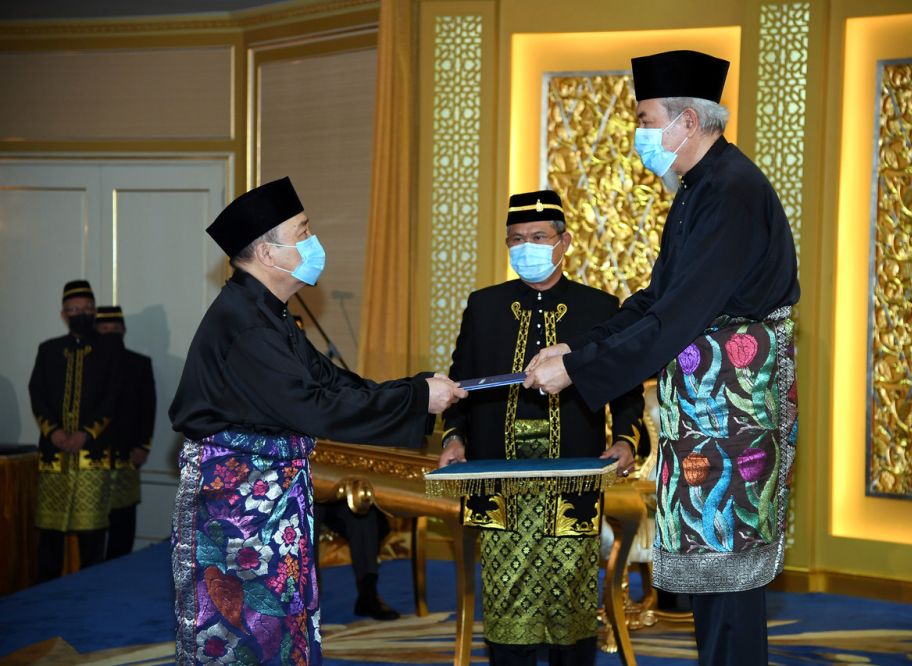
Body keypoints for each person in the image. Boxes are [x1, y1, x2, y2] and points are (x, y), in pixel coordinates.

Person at [524, 50, 800, 665]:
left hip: (735, 414)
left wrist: (578, 370)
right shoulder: (701, 186)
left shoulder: (729, 192)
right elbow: (658, 297)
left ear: (687, 122)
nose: (638, 133)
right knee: (711, 581)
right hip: (711, 411)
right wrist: (581, 346)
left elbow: (676, 318)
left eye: (645, 118)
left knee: (726, 582)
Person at [169, 177, 466, 665]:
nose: (313, 241)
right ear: (268, 254)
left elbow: (332, 383)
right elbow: (317, 408)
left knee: (285, 627)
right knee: (248, 636)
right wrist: (416, 398)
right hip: (238, 509)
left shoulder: (269, 313)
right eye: (302, 231)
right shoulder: (244, 325)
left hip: (268, 501)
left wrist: (416, 390)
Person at [439, 189, 645, 666]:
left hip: (573, 472)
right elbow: (460, 383)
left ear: (564, 241)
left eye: (537, 236)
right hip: (495, 473)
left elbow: (627, 390)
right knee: (505, 591)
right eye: (515, 239)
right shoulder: (483, 305)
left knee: (571, 590)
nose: (525, 246)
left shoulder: (599, 308)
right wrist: (454, 437)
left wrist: (626, 437)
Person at [291, 315, 400, 621]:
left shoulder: (326, 386)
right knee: (304, 515)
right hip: (299, 490)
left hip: (337, 491)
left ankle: (368, 594)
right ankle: (307, 598)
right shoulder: (279, 388)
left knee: (361, 511)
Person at [29, 279, 118, 580]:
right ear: (63, 314)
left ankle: (90, 596)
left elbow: (113, 397)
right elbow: (37, 394)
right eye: (72, 309)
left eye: (85, 308)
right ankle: (43, 598)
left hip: (91, 456)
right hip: (54, 458)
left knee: (91, 535)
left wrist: (86, 433)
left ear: (93, 311)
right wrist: (52, 431)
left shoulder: (109, 350)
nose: (79, 313)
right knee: (50, 536)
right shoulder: (48, 350)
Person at [95, 305, 156, 559]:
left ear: (124, 330)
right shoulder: (87, 365)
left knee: (123, 520)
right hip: (94, 455)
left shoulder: (139, 364)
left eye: (115, 329)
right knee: (93, 520)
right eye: (104, 329)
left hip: (127, 453)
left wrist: (143, 446)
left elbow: (148, 407)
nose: (110, 334)